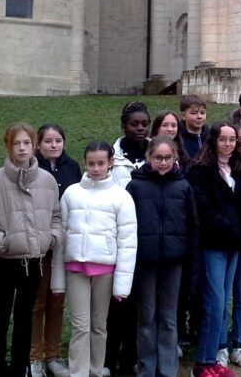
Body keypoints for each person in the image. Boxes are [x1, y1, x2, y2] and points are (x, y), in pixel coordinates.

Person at [0, 123, 62, 377]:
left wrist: (50, 238)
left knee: (25, 317)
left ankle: (20, 366)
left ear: (34, 146)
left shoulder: (47, 181)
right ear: (8, 146)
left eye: (26, 143)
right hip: (4, 261)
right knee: (0, 316)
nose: (22, 148)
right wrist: (3, 242)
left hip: (33, 261)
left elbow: (56, 215)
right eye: (16, 143)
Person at [52, 141, 138, 377]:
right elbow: (62, 236)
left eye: (101, 163)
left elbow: (128, 242)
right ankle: (78, 372)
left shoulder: (121, 196)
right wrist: (58, 281)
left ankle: (96, 369)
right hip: (76, 270)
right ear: (85, 163)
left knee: (99, 325)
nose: (96, 168)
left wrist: (122, 286)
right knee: (80, 325)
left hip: (106, 271)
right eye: (91, 163)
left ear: (111, 162)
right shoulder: (72, 193)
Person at [187, 122, 241, 376]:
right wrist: (229, 227)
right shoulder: (200, 171)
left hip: (237, 243)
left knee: (225, 299)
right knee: (214, 301)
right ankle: (205, 361)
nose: (229, 144)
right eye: (223, 139)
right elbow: (203, 208)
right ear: (213, 141)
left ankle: (213, 361)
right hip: (214, 243)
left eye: (232, 140)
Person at [126, 135, 198, 377]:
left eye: (168, 158)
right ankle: (146, 368)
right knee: (146, 316)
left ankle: (167, 370)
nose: (163, 162)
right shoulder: (135, 186)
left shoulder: (183, 186)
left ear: (175, 158)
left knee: (168, 317)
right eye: (158, 157)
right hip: (145, 261)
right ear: (149, 157)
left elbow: (192, 225)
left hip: (173, 261)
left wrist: (189, 257)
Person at [30, 124, 81, 377]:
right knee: (37, 302)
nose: (53, 145)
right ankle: (34, 356)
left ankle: (52, 355)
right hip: (39, 244)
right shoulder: (30, 169)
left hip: (64, 243)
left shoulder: (72, 168)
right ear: (39, 144)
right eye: (48, 141)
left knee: (57, 300)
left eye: (58, 140)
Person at [106, 102, 148, 374]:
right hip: (117, 239)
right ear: (124, 126)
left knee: (137, 305)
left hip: (145, 239)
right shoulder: (111, 157)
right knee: (116, 303)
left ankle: (132, 356)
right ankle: (109, 357)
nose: (140, 128)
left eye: (144, 123)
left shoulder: (158, 153)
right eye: (135, 124)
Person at [178, 95, 209, 162]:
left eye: (202, 113)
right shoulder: (178, 138)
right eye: (193, 113)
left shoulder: (211, 136)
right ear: (183, 116)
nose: (199, 116)